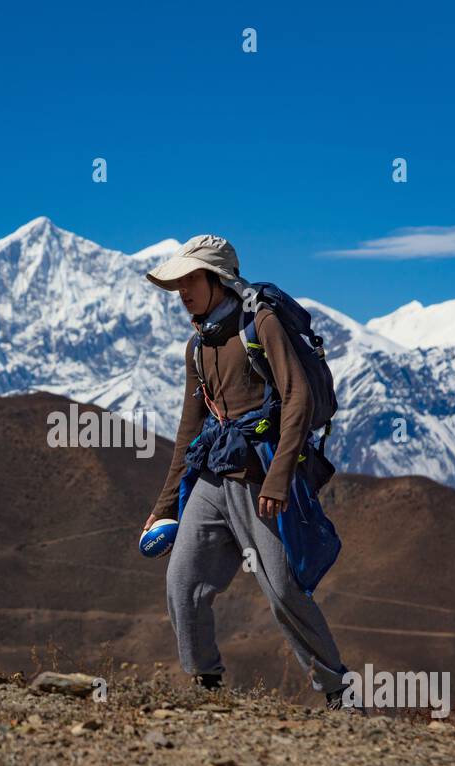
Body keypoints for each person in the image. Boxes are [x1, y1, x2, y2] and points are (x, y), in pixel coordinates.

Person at [143, 235, 353, 710]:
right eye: (177, 284)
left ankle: (338, 691)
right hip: (215, 477)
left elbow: (297, 397)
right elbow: (188, 430)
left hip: (262, 477)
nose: (183, 292)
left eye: (190, 279)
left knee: (283, 591)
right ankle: (207, 689)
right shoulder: (197, 348)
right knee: (183, 582)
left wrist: (279, 479)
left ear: (217, 279)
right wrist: (161, 510)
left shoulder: (261, 324)